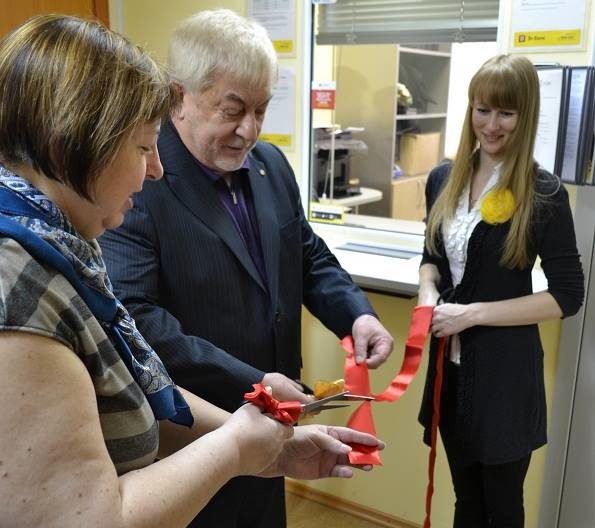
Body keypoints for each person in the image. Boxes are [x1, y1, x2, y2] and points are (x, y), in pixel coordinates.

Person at [0, 14, 385, 528]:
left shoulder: (64, 244)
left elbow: (138, 383)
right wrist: (237, 440)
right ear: (73, 144)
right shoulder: (20, 283)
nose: (155, 167)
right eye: (142, 147)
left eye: (261, 110)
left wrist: (268, 448)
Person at [417, 54, 584, 528]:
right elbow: (431, 260)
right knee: (465, 502)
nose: (491, 125)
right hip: (449, 374)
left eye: (506, 113)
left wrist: (470, 314)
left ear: (525, 115)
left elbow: (567, 295)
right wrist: (427, 294)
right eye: (483, 109)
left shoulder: (544, 194)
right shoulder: (443, 178)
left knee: (502, 509)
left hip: (505, 380)